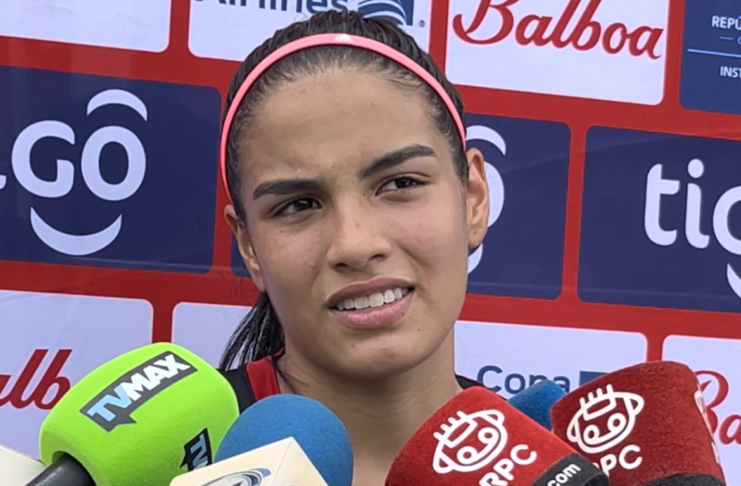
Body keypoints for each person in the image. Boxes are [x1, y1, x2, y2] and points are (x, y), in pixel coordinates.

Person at [217, 9, 490, 486]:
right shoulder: (176, 463)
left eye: (400, 183)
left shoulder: (555, 467)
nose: (355, 244)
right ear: (250, 247)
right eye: (298, 205)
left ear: (473, 199)